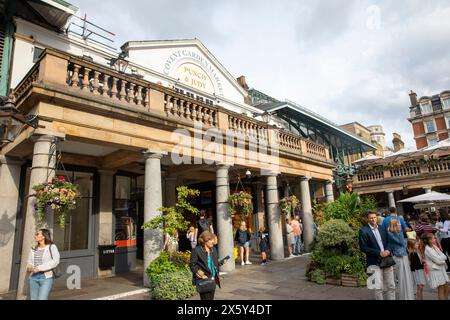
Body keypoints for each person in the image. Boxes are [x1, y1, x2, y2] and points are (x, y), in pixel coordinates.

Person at [359, 211, 396, 300]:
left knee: (391, 285)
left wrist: (388, 250)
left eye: (374, 217)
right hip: (374, 261)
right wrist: (378, 252)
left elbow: (390, 242)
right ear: (367, 219)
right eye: (371, 218)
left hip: (387, 259)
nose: (373, 219)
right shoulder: (363, 231)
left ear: (377, 218)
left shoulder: (382, 228)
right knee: (378, 287)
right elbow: (363, 248)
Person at [189, 231, 228, 300]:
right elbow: (192, 264)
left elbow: (214, 264)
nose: (213, 241)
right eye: (211, 240)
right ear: (205, 241)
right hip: (204, 279)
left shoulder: (213, 249)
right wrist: (199, 273)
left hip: (212, 279)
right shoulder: (196, 250)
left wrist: (221, 263)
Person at [26, 229, 60, 300]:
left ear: (44, 236)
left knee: (42, 298)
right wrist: (29, 265)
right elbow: (29, 261)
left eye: (37, 234)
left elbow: (56, 261)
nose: (35, 236)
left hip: (46, 278)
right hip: (33, 277)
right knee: (33, 298)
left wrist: (39, 268)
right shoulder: (33, 248)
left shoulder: (52, 247)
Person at [386, 218, 415, 300]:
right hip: (398, 257)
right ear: (395, 224)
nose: (400, 224)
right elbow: (401, 242)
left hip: (403, 256)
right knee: (402, 278)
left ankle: (409, 297)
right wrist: (400, 231)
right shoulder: (391, 233)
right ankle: (405, 297)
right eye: (398, 223)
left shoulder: (396, 232)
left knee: (407, 277)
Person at [422, 233, 449, 300]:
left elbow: (444, 256)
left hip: (441, 269)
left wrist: (440, 260)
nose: (435, 239)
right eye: (433, 238)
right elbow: (438, 261)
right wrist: (441, 261)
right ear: (429, 240)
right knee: (441, 288)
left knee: (447, 287)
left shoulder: (434, 246)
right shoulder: (427, 249)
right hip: (435, 270)